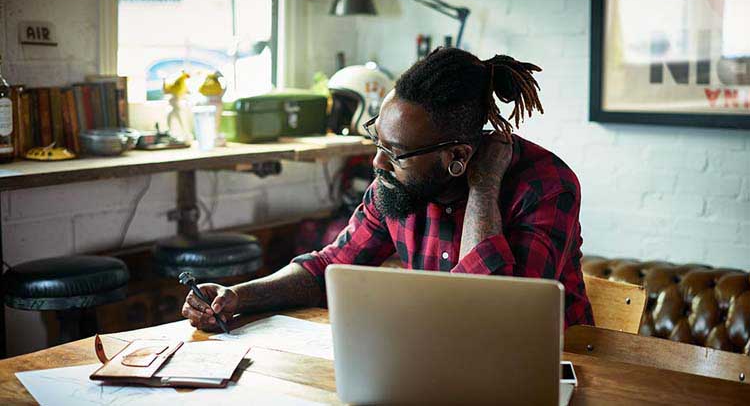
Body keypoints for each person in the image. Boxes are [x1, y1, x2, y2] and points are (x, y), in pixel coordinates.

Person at [182, 47, 594, 330]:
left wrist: (484, 189)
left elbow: (499, 316)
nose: (377, 163)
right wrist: (238, 297)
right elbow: (331, 267)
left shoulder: (545, 185)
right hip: (436, 362)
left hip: (553, 369)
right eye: (377, 141)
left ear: (458, 157)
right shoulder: (394, 186)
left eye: (396, 153)